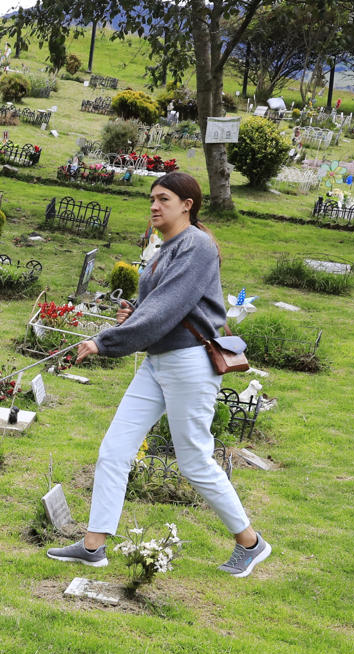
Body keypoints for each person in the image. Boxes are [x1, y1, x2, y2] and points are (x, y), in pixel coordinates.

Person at [47, 171, 272, 578]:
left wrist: (106, 341)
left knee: (194, 461)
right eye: (151, 198)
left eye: (163, 198)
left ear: (187, 205)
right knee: (114, 450)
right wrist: (133, 315)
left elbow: (167, 309)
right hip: (157, 362)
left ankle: (251, 543)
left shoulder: (197, 247)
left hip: (189, 364)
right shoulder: (164, 248)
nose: (154, 205)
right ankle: (94, 545)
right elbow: (157, 306)